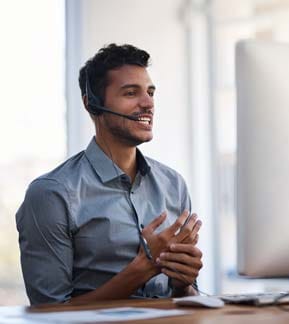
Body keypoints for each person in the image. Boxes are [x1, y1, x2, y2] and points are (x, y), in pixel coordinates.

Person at [16, 43, 203, 305]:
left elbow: (186, 297)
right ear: (91, 104)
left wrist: (183, 284)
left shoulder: (173, 184)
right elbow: (49, 313)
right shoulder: (52, 193)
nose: (148, 103)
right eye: (130, 93)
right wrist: (143, 268)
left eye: (150, 92)